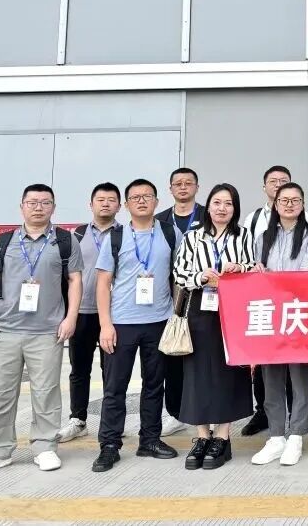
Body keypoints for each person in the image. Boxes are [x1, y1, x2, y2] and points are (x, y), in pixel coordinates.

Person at [0, 184, 83, 477]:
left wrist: (70, 318)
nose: (38, 207)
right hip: (6, 330)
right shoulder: (4, 241)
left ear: (53, 207)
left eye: (45, 202)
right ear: (22, 207)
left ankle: (44, 447)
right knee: (1, 394)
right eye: (32, 202)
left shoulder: (65, 240)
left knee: (46, 393)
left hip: (47, 331)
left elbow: (75, 281)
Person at [92, 179, 183, 472]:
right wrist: (105, 325)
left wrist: (176, 315)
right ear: (126, 205)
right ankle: (109, 445)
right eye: (135, 197)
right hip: (122, 323)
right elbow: (103, 283)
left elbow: (178, 277)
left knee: (154, 385)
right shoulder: (115, 237)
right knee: (114, 387)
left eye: (147, 196)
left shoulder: (170, 232)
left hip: (159, 321)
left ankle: (150, 440)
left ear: (157, 201)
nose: (142, 201)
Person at [173, 183, 256, 470]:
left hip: (232, 307)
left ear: (235, 209)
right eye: (217, 202)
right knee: (197, 371)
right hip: (200, 306)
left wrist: (239, 268)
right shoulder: (193, 236)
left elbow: (253, 267)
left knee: (228, 369)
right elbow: (179, 272)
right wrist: (200, 276)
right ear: (208, 206)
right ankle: (201, 436)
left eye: (228, 203)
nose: (222, 208)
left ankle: (222, 436)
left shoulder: (243, 235)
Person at [248, 182, 308, 466]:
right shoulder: (263, 235)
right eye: (284, 200)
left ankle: (296, 436)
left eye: (295, 200)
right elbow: (257, 268)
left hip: (298, 313)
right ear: (275, 204)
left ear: (303, 204)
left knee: (300, 377)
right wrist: (258, 271)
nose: (290, 205)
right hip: (270, 314)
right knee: (272, 377)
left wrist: (274, 283)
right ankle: (276, 436)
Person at [240, 165, 301, 438]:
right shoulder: (254, 219)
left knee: (292, 358)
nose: (278, 185)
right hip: (263, 299)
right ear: (264, 187)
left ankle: (293, 413)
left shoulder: (304, 218)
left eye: (283, 181)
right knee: (264, 358)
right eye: (273, 181)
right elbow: (248, 253)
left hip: (293, 300)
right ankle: (263, 412)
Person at [57, 183, 121, 443]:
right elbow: (65, 275)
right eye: (100, 199)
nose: (105, 203)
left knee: (112, 370)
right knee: (79, 369)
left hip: (114, 314)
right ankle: (78, 419)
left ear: (119, 205)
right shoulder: (76, 235)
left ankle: (111, 421)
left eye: (111, 199)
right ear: (91, 204)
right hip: (82, 311)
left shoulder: (125, 234)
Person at [155, 167, 204, 437]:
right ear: (170, 189)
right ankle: (174, 413)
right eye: (178, 184)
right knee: (172, 355)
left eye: (188, 183)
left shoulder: (209, 215)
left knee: (203, 354)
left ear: (197, 187)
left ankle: (202, 408)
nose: (183, 187)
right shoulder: (159, 220)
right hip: (170, 297)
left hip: (204, 295)